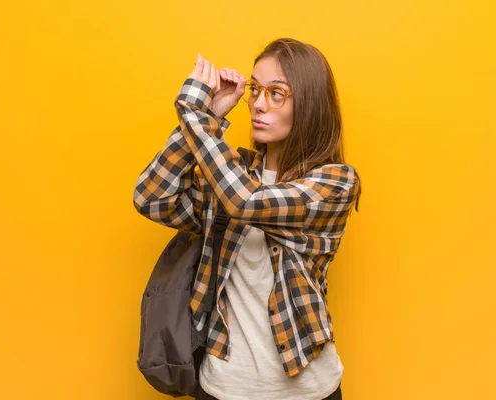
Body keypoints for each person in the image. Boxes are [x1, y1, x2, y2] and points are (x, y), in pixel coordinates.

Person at [133, 37, 361, 400]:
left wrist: (194, 112)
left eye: (276, 93)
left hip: (306, 391)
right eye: (255, 89)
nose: (257, 103)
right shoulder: (233, 173)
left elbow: (245, 201)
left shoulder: (334, 183)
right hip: (222, 386)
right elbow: (152, 198)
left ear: (310, 105)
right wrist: (210, 115)